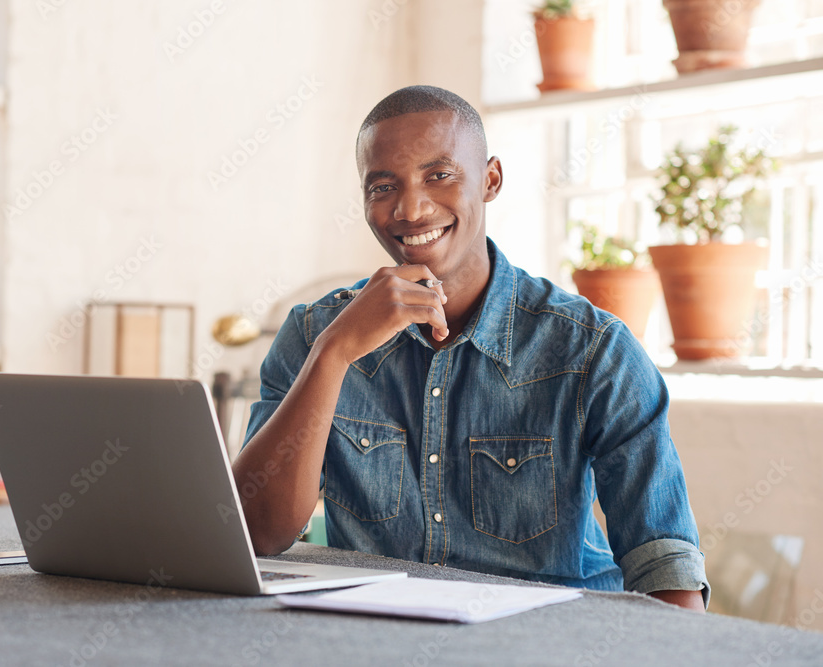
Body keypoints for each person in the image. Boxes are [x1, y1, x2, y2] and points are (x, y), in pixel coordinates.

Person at [232, 85, 709, 611]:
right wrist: (335, 352)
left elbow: (664, 562)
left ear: (490, 180)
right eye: (383, 186)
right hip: (373, 643)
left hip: (552, 645)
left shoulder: (592, 351)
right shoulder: (313, 335)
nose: (410, 209)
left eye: (439, 175)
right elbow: (256, 534)